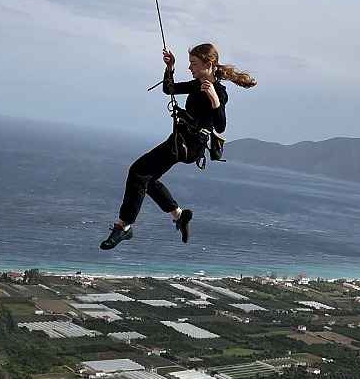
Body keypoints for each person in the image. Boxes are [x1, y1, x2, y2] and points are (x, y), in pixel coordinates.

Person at [100, 43, 257, 250]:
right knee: (147, 178)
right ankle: (179, 216)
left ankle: (124, 227)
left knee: (138, 172)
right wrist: (170, 67)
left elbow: (221, 126)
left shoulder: (218, 91)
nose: (190, 67)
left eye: (194, 63)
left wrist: (214, 99)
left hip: (188, 146)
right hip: (178, 140)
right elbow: (169, 89)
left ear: (208, 64)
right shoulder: (196, 83)